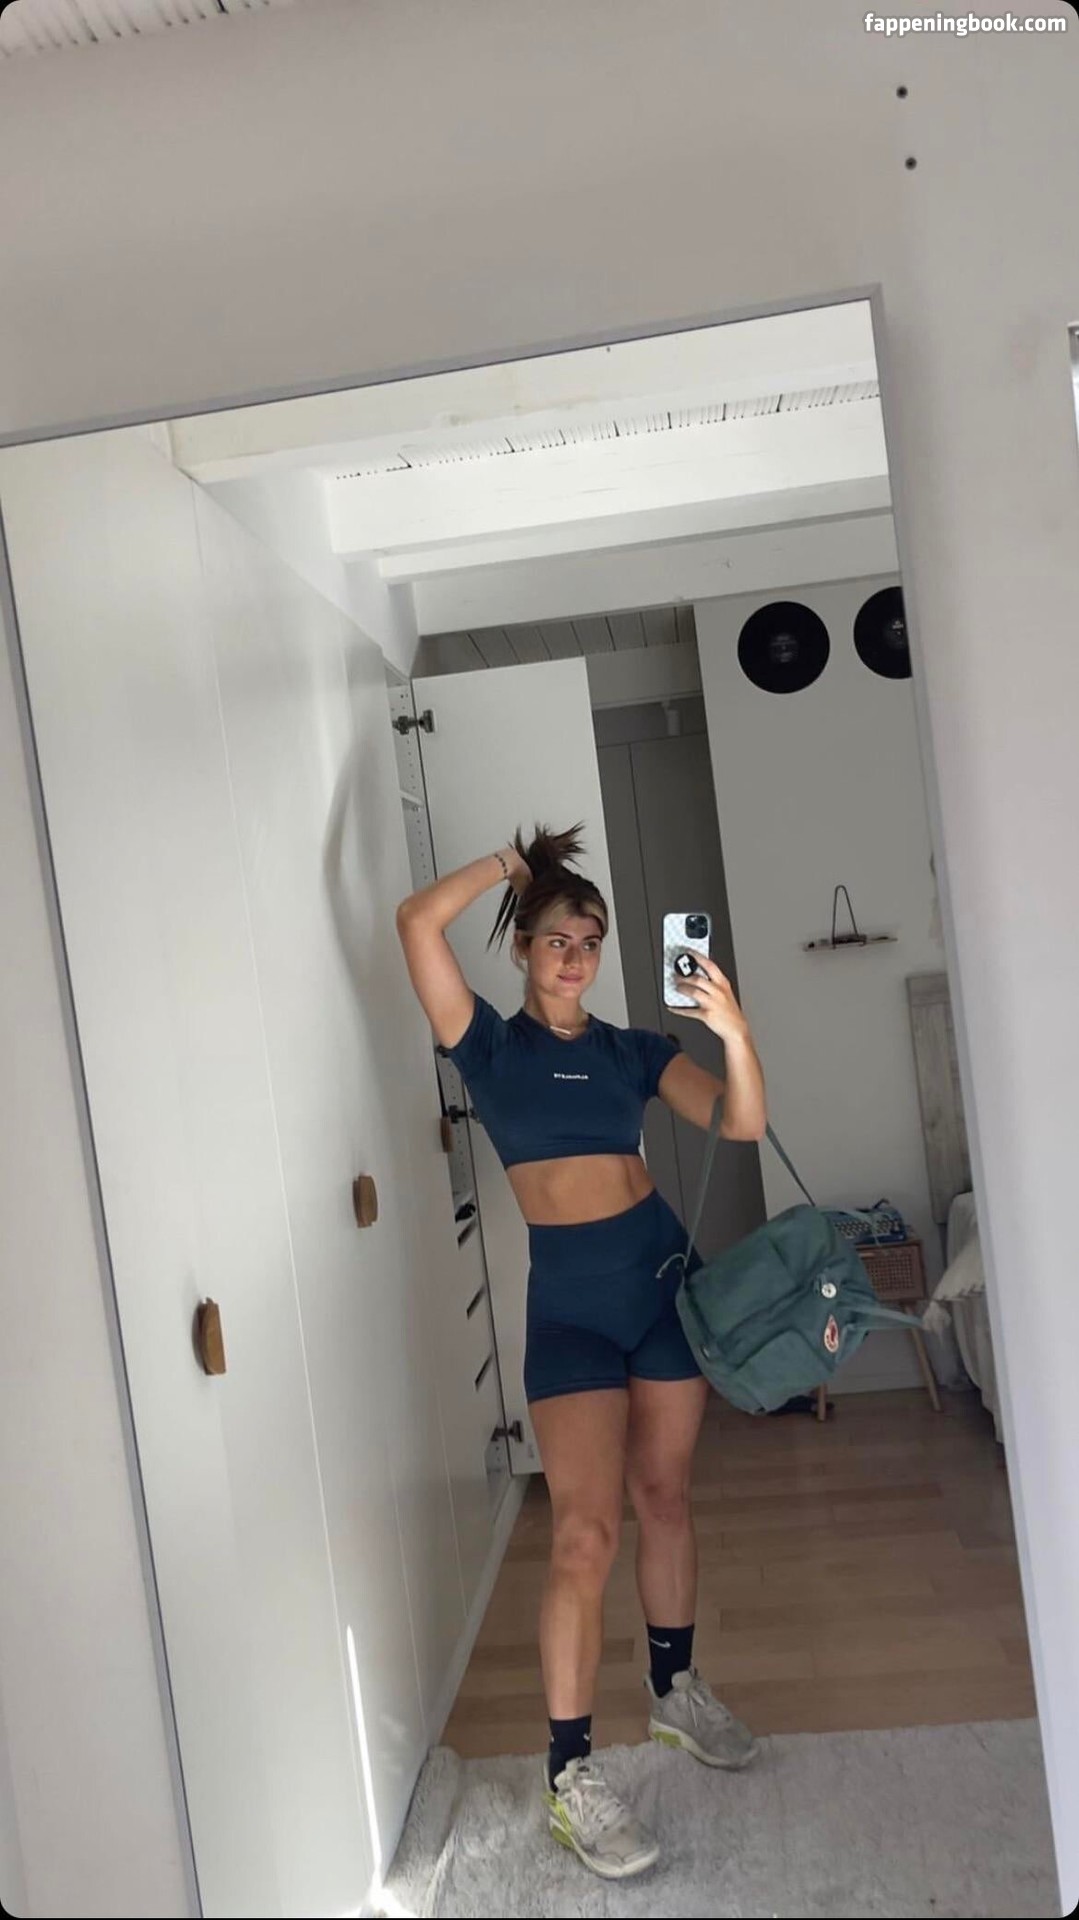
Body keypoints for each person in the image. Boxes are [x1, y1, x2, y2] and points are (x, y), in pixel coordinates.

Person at [396, 824, 767, 1881]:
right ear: (521, 946)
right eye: (555, 939)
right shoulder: (486, 1047)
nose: (574, 957)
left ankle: (673, 1692)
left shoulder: (632, 1051)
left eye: (590, 941)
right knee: (582, 1537)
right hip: (569, 1311)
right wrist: (508, 870)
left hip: (660, 1288)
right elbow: (415, 923)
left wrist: (732, 1032)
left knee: (664, 1497)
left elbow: (739, 1123)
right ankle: (568, 1777)